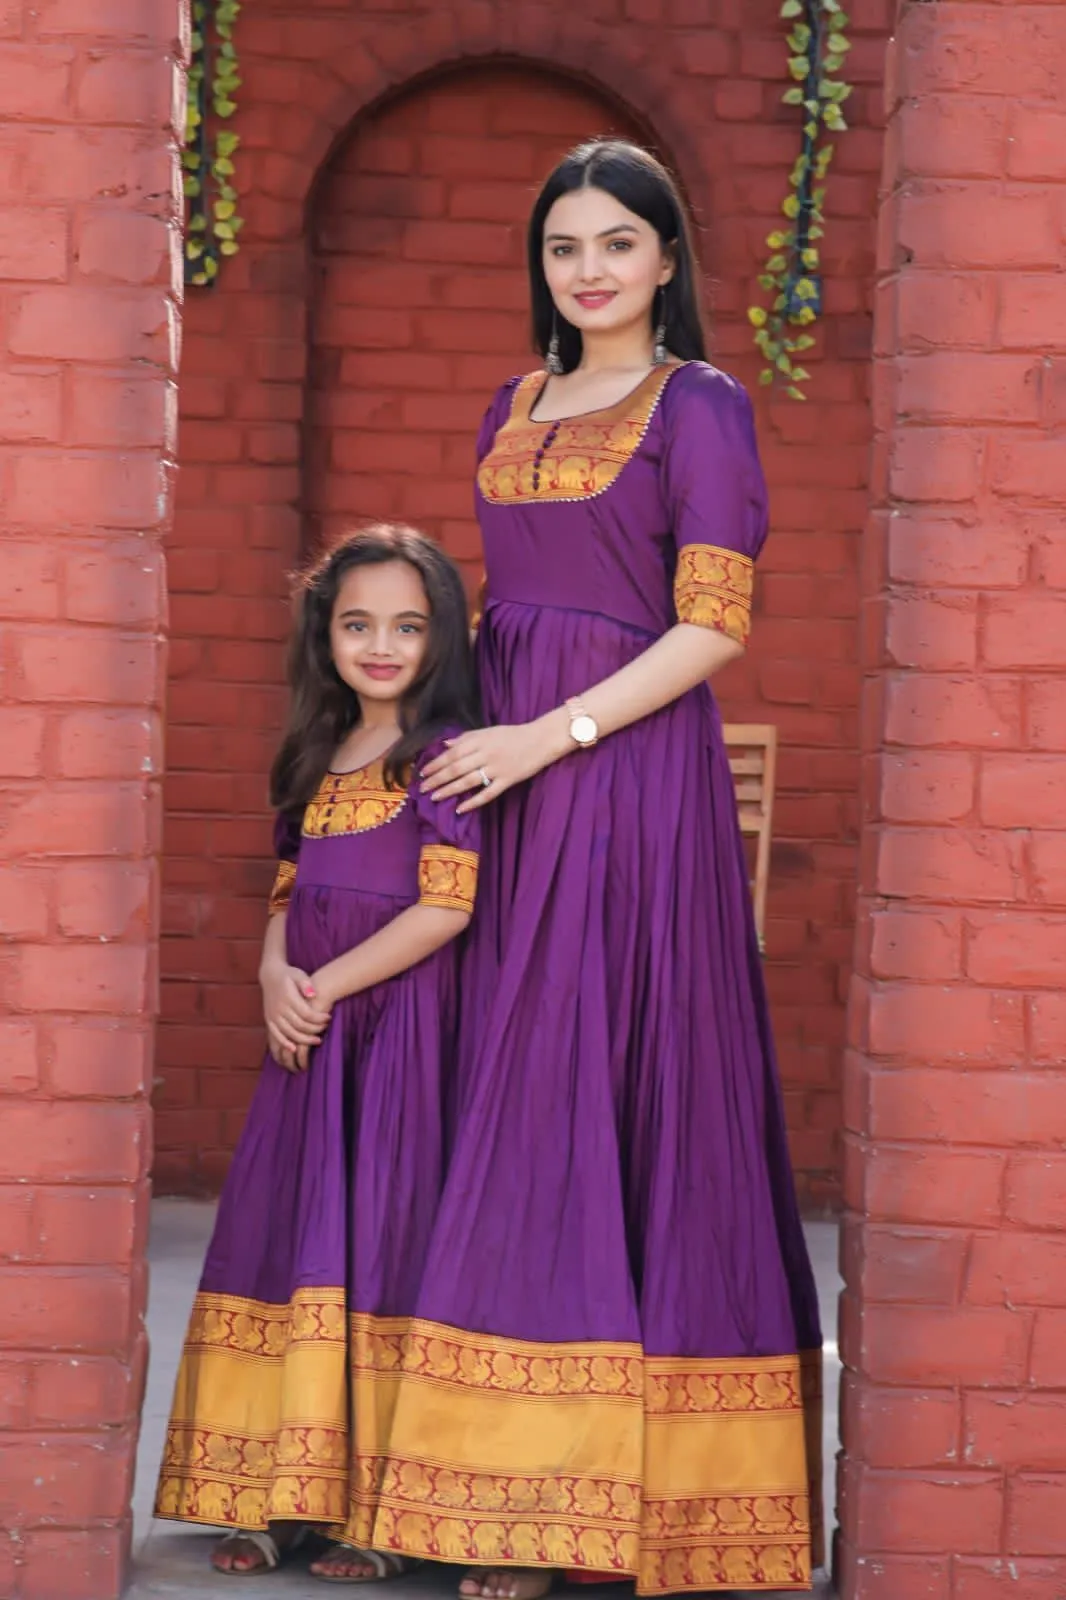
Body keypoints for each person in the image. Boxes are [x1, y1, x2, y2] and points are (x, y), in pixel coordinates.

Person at [361, 139, 825, 1597]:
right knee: (492, 1072)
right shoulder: (511, 403)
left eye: (617, 243)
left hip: (619, 781)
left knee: (584, 1081)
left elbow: (711, 628)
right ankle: (475, 1485)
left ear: (668, 259)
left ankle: (582, 1514)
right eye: (563, 246)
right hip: (500, 772)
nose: (589, 269)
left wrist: (548, 737)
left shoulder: (701, 406)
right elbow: (499, 604)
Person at [154, 525, 482, 1584]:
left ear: (440, 638)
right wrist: (269, 978)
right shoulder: (312, 753)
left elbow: (445, 908)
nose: (379, 645)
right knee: (290, 1241)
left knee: (379, 1246)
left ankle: (373, 1516)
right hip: (306, 1044)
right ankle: (265, 1492)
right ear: (324, 634)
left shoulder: (442, 755)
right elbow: (287, 897)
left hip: (395, 1040)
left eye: (405, 625)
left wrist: (324, 988)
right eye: (356, 624)